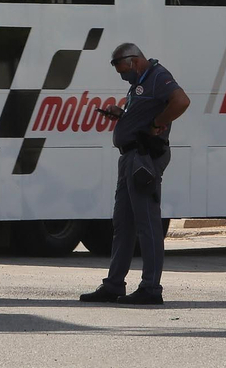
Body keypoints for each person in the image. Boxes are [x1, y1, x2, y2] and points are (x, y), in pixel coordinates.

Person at [79, 41, 191, 306]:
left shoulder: (157, 76)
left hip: (143, 158)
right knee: (123, 224)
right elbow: (145, 110)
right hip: (130, 157)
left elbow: (181, 101)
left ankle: (151, 288)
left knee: (147, 226)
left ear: (133, 60)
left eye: (122, 70)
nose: (122, 76)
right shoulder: (140, 82)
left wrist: (157, 123)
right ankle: (114, 284)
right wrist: (124, 114)